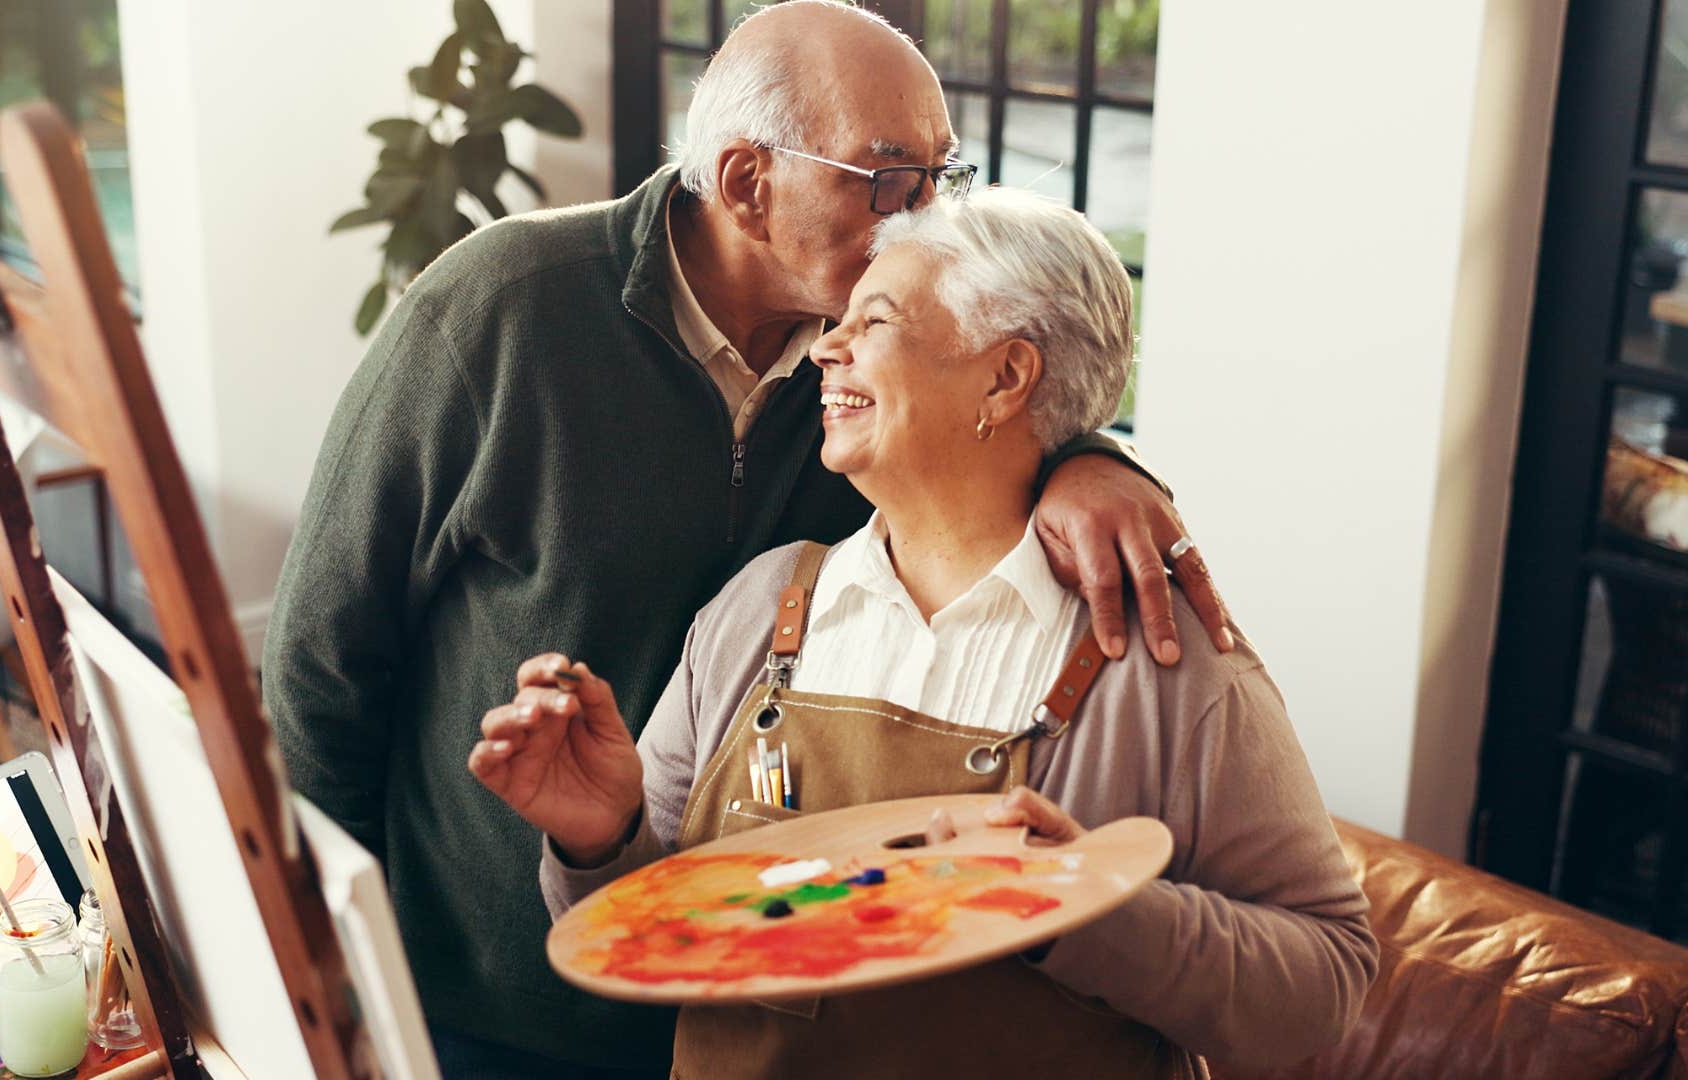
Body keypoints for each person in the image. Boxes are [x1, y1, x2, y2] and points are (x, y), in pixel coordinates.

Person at [265, 3, 1236, 1074]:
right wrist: (333, 960)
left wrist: (1098, 461)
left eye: (940, 177)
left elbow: (1001, 405)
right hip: (487, 1001)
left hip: (746, 1002)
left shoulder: (871, 370)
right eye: (888, 177)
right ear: (744, 185)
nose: (922, 221)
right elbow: (320, 664)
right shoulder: (497, 311)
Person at [471, 188, 1376, 1079]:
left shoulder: (1162, 660)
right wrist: (603, 837)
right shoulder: (758, 608)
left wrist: (1085, 906)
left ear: (1005, 376)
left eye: (877, 320)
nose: (827, 345)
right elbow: (648, 927)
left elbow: (1327, 979)